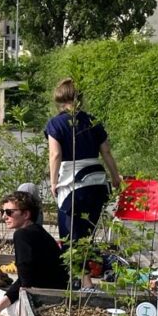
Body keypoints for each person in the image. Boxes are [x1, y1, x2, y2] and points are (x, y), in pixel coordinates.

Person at [45, 78, 122, 242]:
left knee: (70, 238)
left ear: (59, 100)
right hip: (97, 182)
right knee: (88, 236)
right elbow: (106, 151)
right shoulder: (92, 120)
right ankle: (89, 265)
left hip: (73, 184)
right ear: (79, 99)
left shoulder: (55, 124)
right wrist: (115, 177)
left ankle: (74, 267)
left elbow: (55, 155)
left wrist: (53, 183)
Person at [0, 191, 69, 316]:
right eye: (2, 212)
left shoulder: (22, 235)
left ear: (26, 214)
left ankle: (4, 311)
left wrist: (0, 306)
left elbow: (25, 283)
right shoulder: (40, 233)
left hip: (37, 307)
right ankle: (3, 307)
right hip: (57, 299)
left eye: (9, 212)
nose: (4, 216)